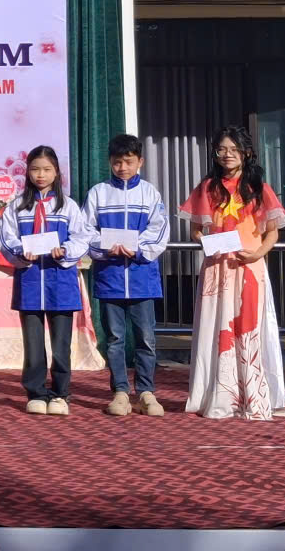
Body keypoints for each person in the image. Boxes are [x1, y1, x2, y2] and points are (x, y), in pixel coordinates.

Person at [180, 126, 285, 420]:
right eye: (221, 149)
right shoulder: (207, 188)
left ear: (246, 153)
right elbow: (195, 231)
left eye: (233, 149)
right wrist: (207, 242)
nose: (227, 155)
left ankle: (254, 396)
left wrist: (258, 253)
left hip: (249, 267)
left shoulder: (259, 188)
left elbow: (272, 232)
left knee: (249, 327)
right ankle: (221, 396)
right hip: (217, 269)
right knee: (217, 327)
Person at [0, 145, 90, 415]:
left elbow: (82, 237)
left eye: (47, 169)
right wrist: (20, 251)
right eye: (35, 169)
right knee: (33, 344)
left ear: (56, 172)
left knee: (61, 345)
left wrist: (66, 251)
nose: (41, 175)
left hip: (60, 281)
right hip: (29, 281)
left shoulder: (68, 206)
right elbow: (7, 238)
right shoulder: (18, 206)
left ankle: (61, 393)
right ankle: (36, 392)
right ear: (27, 172)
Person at [84, 133, 170, 417]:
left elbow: (159, 229)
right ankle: (120, 392)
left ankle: (146, 392)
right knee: (115, 339)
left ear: (140, 162)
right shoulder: (98, 193)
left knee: (146, 339)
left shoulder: (150, 193)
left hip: (142, 278)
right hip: (110, 278)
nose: (123, 167)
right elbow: (86, 229)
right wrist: (104, 247)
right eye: (117, 162)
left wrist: (137, 249)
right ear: (110, 161)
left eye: (129, 161)